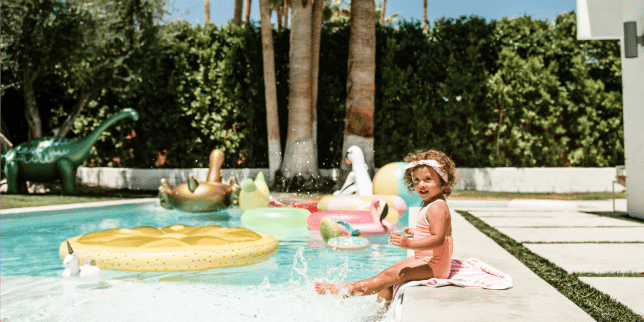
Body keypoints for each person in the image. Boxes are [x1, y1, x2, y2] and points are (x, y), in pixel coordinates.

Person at [315, 149, 458, 308]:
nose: (421, 184)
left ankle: (343, 291)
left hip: (434, 266)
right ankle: (377, 315)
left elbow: (438, 239)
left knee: (388, 276)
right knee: (387, 279)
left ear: (443, 182)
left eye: (428, 179)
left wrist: (408, 244)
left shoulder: (437, 207)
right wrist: (417, 232)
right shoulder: (432, 203)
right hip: (428, 260)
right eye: (416, 180)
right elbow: (438, 231)